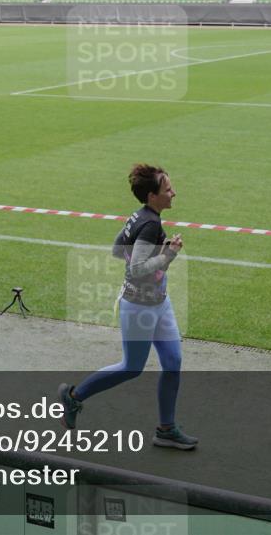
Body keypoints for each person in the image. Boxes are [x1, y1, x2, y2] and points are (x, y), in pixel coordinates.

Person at [59, 164, 198, 450]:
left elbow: (116, 249)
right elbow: (136, 270)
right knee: (131, 367)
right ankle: (73, 398)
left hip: (159, 303)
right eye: (167, 189)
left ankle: (166, 429)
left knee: (173, 362)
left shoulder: (139, 217)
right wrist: (169, 254)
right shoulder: (149, 224)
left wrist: (154, 253)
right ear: (152, 195)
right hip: (139, 308)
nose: (174, 192)